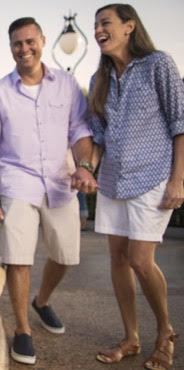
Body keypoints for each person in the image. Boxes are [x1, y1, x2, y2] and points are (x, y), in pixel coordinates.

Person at [0, 17, 98, 365]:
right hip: (17, 182)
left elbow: (81, 132)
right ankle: (23, 330)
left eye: (30, 42)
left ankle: (41, 300)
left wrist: (85, 167)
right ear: (10, 47)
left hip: (62, 181)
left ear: (42, 40)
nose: (24, 49)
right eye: (17, 44)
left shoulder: (67, 85)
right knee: (18, 256)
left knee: (65, 254)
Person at [88, 4, 183, 369]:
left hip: (153, 176)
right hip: (113, 180)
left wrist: (178, 178)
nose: (98, 29)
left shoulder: (158, 64)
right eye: (95, 24)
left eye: (105, 23)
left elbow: (180, 122)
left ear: (129, 27)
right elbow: (98, 136)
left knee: (141, 260)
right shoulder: (100, 80)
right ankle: (131, 338)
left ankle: (165, 332)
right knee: (118, 260)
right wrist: (87, 169)